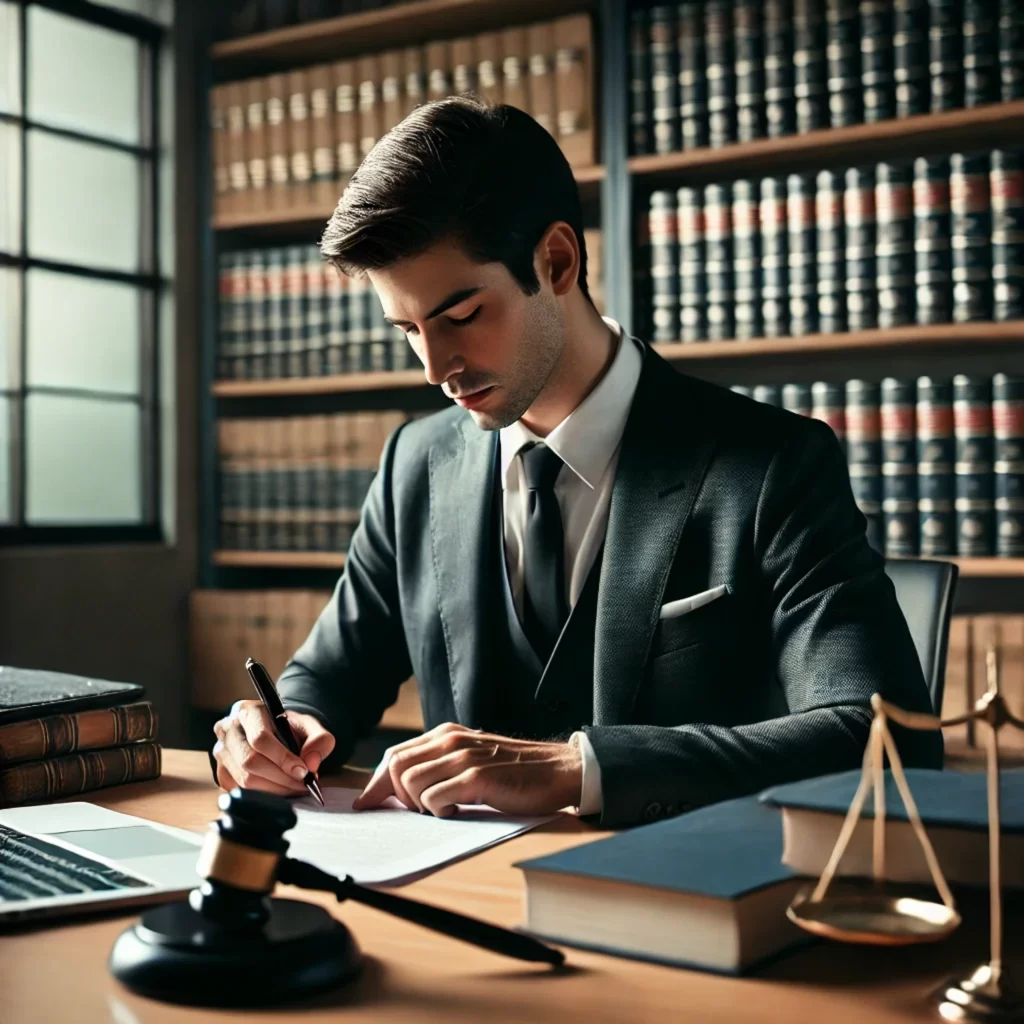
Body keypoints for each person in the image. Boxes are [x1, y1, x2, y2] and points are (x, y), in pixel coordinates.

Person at [211, 97, 941, 828]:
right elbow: (326, 679)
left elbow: (883, 741)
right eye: (408, 329)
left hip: (684, 900)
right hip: (459, 901)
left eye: (462, 317)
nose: (435, 367)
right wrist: (279, 728)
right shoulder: (416, 462)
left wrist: (581, 769)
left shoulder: (774, 465)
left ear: (556, 260)